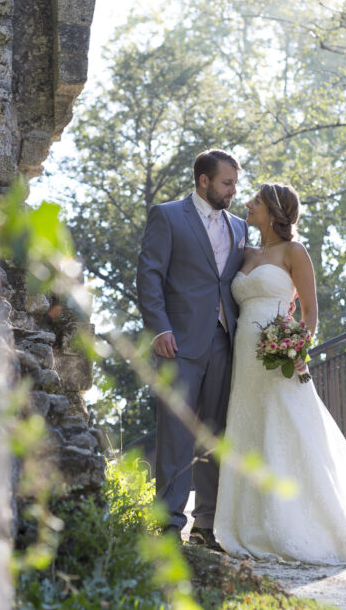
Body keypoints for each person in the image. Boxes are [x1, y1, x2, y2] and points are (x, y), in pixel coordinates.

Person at [214, 182, 346, 564]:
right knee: (250, 428)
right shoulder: (244, 252)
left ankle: (298, 522)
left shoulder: (295, 251)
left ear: (273, 211)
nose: (248, 205)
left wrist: (295, 348)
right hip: (244, 352)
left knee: (285, 427)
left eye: (255, 202)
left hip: (277, 353)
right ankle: (249, 523)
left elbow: (310, 312)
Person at [136, 149, 248, 548]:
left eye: (235, 182)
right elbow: (149, 275)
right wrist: (159, 328)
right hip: (178, 344)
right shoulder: (167, 216)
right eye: (227, 182)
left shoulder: (240, 226)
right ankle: (168, 523)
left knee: (216, 433)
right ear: (204, 181)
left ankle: (206, 525)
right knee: (176, 432)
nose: (233, 190)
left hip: (224, 341)